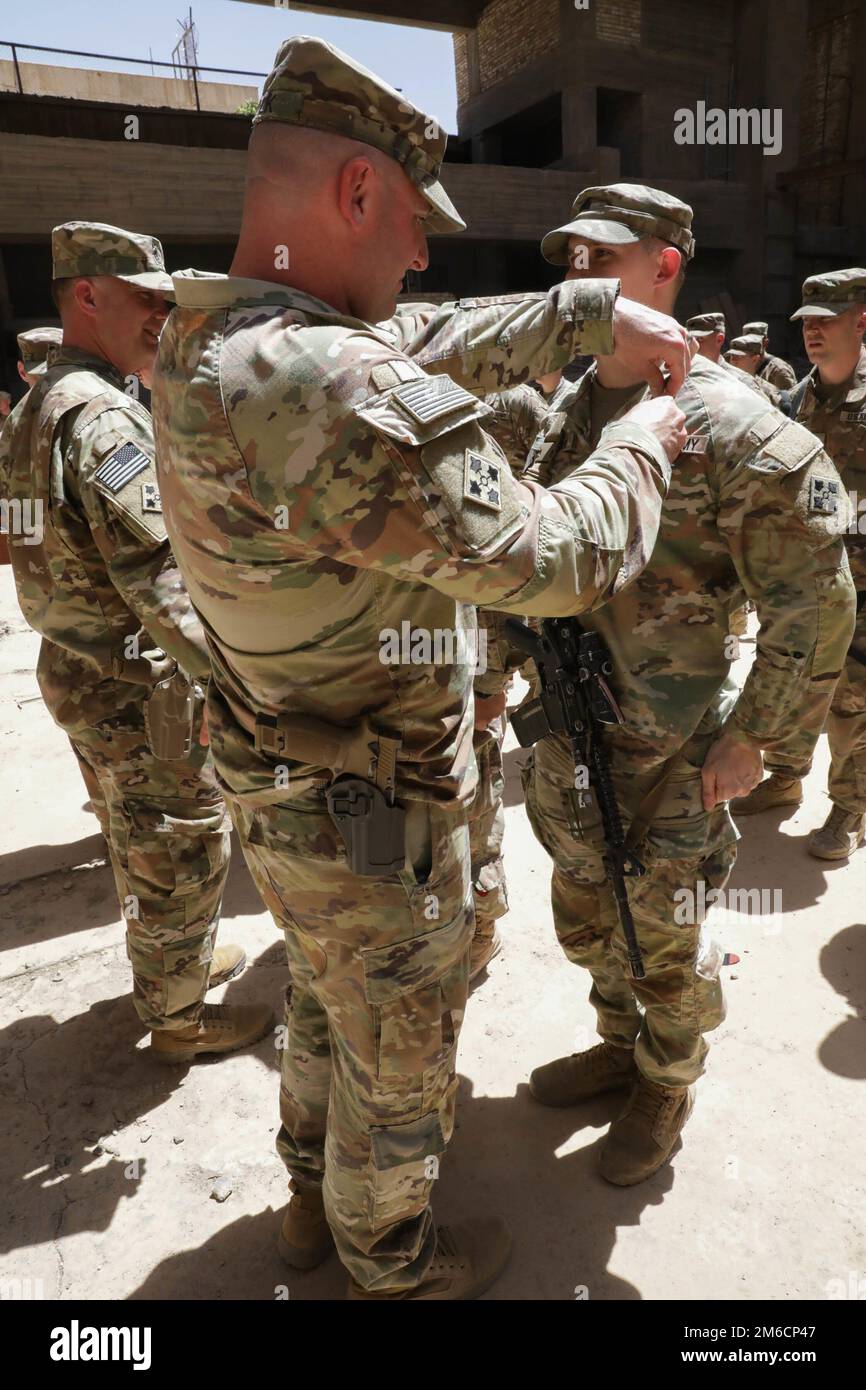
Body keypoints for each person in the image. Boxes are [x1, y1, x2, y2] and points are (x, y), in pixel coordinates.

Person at [151, 35, 692, 1300]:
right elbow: (553, 557)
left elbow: (422, 341)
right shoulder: (328, 377)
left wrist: (578, 312)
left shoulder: (208, 338)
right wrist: (648, 443)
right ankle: (392, 1261)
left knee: (326, 1006)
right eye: (407, 220)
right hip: (375, 816)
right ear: (353, 193)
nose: (420, 253)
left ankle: (302, 1196)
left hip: (285, 782)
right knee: (396, 1043)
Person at [507, 183, 855, 1185]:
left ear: (664, 265)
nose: (577, 277)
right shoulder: (572, 407)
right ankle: (619, 1042)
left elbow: (816, 601)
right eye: (568, 258)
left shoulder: (733, 427)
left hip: (671, 750)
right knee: (586, 913)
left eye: (601, 257)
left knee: (663, 935)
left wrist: (759, 736)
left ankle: (665, 1078)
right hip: (569, 737)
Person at [0, 221, 273, 1062]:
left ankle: (169, 973)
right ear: (87, 295)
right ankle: (181, 1015)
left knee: (134, 840)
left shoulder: (36, 408)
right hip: (138, 687)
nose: (161, 315)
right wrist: (240, 688)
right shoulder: (103, 418)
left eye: (167, 300)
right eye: (144, 299)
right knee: (181, 849)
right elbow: (164, 588)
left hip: (78, 674)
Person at [733, 269, 866, 859]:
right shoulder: (795, 400)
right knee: (791, 679)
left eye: (826, 320)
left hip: (862, 584)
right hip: (803, 576)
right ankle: (786, 777)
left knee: (851, 697)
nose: (812, 332)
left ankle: (850, 807)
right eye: (807, 322)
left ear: (861, 321)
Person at [742, 319, 797, 391]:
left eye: (755, 342)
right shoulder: (743, 364)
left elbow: (789, 400)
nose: (751, 346)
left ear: (765, 343)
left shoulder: (779, 370)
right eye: (747, 341)